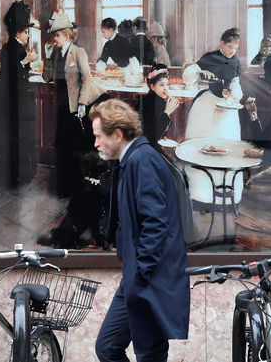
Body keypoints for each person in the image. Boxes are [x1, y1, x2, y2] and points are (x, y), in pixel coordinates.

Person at [90, 99, 190, 362]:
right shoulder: (134, 160)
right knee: (109, 346)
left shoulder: (142, 161)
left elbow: (155, 222)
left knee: (149, 354)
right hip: (140, 276)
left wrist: (140, 272)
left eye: (99, 136)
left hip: (149, 279)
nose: (96, 143)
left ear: (118, 134)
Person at [43, 10, 106, 197]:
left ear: (67, 35)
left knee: (75, 148)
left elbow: (86, 79)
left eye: (57, 35)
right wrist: (46, 57)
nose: (54, 39)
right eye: (54, 35)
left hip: (76, 107)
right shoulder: (54, 55)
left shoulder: (79, 52)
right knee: (61, 147)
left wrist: (81, 103)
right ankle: (64, 188)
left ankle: (77, 189)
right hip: (61, 106)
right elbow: (47, 78)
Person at [0, 1, 38, 187]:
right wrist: (26, 61)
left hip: (15, 99)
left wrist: (26, 61)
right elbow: (11, 74)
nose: (28, 35)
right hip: (14, 99)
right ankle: (16, 177)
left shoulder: (14, 47)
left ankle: (18, 175)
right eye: (26, 32)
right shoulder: (11, 48)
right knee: (17, 136)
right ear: (18, 32)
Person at [184, 27, 243, 140]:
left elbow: (235, 83)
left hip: (227, 103)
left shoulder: (236, 61)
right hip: (209, 102)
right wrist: (200, 71)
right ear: (222, 44)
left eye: (235, 48)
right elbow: (187, 75)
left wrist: (236, 98)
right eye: (229, 47)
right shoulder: (210, 57)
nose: (232, 51)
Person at [139, 63, 180, 146]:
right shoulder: (147, 103)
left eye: (167, 84)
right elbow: (152, 137)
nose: (165, 88)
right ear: (152, 87)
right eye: (161, 85)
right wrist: (167, 112)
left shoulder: (160, 101)